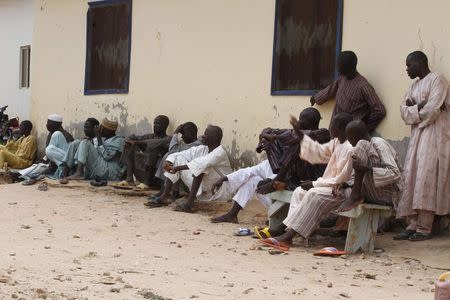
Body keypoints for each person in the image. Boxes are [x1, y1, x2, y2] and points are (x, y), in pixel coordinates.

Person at [209, 108, 330, 224]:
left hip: (312, 183)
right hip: (291, 180)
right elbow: (252, 170)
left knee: (294, 143)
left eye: (301, 119)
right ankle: (232, 214)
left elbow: (300, 136)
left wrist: (275, 137)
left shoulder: (323, 134)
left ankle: (276, 186)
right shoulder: (291, 144)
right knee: (254, 180)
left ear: (311, 122)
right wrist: (268, 134)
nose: (298, 122)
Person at [261, 113, 354, 247]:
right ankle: (287, 230)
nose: (331, 128)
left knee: (312, 193)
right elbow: (317, 151)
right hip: (328, 186)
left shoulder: (351, 147)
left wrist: (314, 183)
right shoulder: (337, 142)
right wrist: (298, 133)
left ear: (339, 127)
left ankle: (287, 234)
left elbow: (342, 179)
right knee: (299, 191)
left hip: (343, 189)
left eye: (333, 125)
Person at [395, 51, 450, 241]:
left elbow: (434, 107)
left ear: (420, 62)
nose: (407, 69)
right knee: (412, 175)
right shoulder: (414, 85)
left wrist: (415, 110)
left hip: (434, 135)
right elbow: (403, 111)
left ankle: (424, 228)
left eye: (409, 65)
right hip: (418, 135)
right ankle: (412, 225)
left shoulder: (438, 79)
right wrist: (418, 107)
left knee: (426, 177)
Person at [156, 125, 232, 212]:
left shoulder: (220, 152)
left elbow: (202, 164)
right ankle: (166, 195)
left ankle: (189, 203)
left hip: (220, 192)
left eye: (206, 134)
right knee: (175, 157)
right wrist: (168, 165)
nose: (203, 136)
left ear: (215, 138)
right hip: (203, 191)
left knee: (201, 167)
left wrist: (178, 168)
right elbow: (176, 155)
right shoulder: (203, 149)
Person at [311, 51, 386, 133]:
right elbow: (331, 89)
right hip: (335, 130)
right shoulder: (342, 79)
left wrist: (363, 128)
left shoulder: (363, 86)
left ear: (349, 66)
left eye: (340, 66)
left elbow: (380, 111)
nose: (338, 68)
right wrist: (316, 97)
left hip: (351, 137)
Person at [337, 120, 402, 212]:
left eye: (350, 138)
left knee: (361, 144)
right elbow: (360, 173)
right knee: (341, 192)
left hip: (390, 195)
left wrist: (368, 169)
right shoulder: (362, 150)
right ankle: (340, 220)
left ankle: (355, 196)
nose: (350, 142)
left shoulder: (379, 143)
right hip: (373, 192)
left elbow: (395, 173)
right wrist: (347, 183)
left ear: (358, 135)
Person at [147, 122, 202, 201]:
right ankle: (164, 191)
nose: (182, 137)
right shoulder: (185, 144)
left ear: (190, 133)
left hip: (191, 179)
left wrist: (176, 133)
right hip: (181, 175)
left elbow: (173, 150)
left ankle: (169, 193)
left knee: (171, 157)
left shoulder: (197, 146)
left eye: (183, 134)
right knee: (168, 156)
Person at [119, 115, 171, 188]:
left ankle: (147, 182)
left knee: (153, 149)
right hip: (143, 169)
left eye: (158, 124)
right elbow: (134, 137)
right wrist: (128, 141)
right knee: (129, 146)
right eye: (154, 123)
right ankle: (129, 179)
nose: (155, 126)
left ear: (165, 126)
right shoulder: (150, 136)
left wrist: (138, 142)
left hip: (156, 173)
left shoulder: (168, 139)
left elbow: (156, 143)